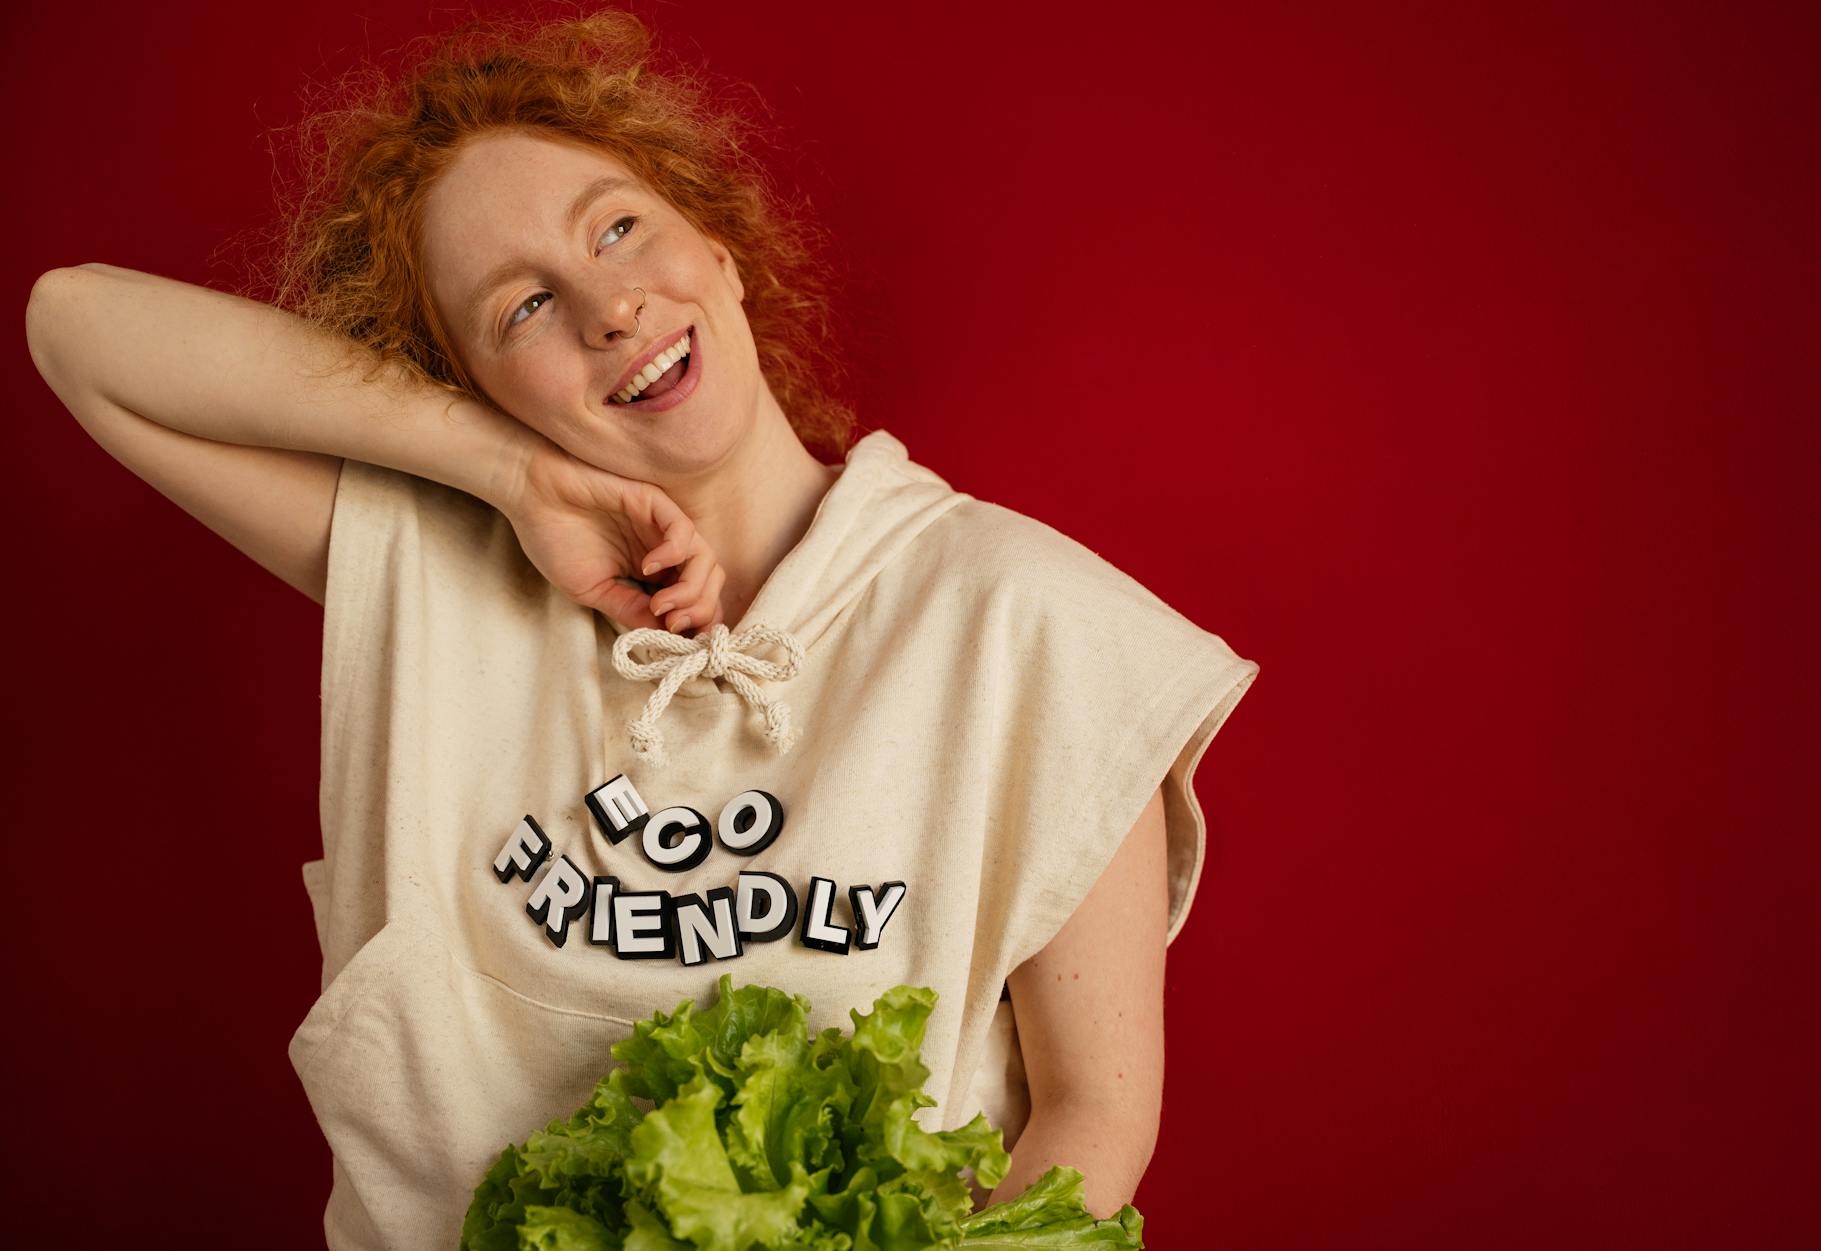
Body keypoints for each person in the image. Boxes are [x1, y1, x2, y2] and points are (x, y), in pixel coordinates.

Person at [25, 11, 1259, 1249]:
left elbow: (1091, 1123)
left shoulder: (1034, 624)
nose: (609, 307)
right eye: (520, 311)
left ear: (717, 244)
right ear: (465, 389)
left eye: (620, 228)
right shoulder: (434, 582)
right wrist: (508, 479)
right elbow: (74, 327)